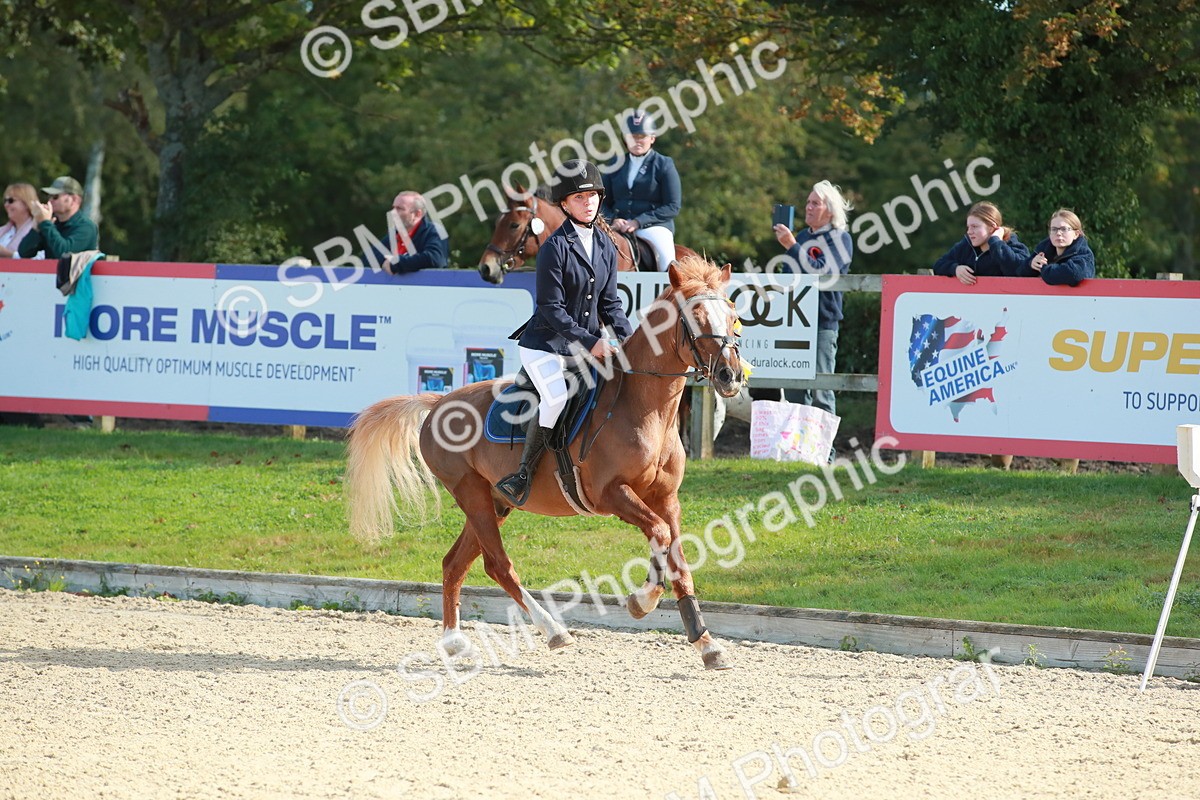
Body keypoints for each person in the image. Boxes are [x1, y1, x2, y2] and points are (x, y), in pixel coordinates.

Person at [495, 160, 634, 506]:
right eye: (579, 196)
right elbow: (552, 310)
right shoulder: (553, 249)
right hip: (545, 345)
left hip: (586, 347)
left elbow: (611, 302)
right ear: (564, 204)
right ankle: (523, 474)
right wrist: (592, 343)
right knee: (555, 397)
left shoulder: (604, 244)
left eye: (593, 195)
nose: (588, 202)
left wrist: (629, 339)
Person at [772, 180, 854, 417]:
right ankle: (800, 451)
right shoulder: (801, 237)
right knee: (795, 391)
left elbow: (823, 273)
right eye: (808, 202)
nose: (808, 207)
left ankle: (825, 454)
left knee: (821, 391)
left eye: (815, 203)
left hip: (821, 323)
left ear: (830, 210)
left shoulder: (841, 239)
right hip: (795, 322)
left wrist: (792, 246)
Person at [601, 111, 681, 272]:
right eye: (632, 136)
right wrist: (613, 219)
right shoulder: (615, 163)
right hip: (617, 225)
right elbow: (601, 201)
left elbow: (672, 206)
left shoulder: (664, 164)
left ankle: (668, 291)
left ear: (652, 138)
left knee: (667, 258)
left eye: (642, 136)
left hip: (653, 226)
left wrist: (638, 222)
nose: (637, 141)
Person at [932, 201, 1029, 285]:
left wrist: (996, 242)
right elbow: (938, 265)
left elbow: (1019, 269)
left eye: (974, 226)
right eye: (968, 227)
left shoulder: (1010, 243)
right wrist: (955, 269)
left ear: (992, 227)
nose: (969, 232)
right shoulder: (966, 244)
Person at [17, 176, 99, 259]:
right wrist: (36, 227)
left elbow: (64, 254)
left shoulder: (86, 226)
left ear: (74, 200)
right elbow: (24, 252)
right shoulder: (53, 223)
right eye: (49, 196)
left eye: (55, 197)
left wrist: (46, 223)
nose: (50, 201)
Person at [377, 191, 449, 274]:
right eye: (393, 208)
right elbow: (368, 258)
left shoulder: (434, 231)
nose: (393, 213)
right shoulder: (395, 234)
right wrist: (386, 262)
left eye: (399, 208)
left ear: (418, 214)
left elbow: (435, 259)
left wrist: (396, 263)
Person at [1025, 209, 1095, 286]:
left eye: (1064, 229)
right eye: (1054, 229)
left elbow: (1073, 274)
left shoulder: (1084, 254)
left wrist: (1044, 268)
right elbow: (1019, 271)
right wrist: (1031, 265)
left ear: (1076, 234)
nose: (1058, 233)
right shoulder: (1043, 249)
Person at [0, 183, 38, 258]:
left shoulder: (37, 231)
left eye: (11, 200)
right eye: (5, 201)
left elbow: (40, 259)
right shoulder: (3, 231)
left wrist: (9, 254)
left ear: (26, 203)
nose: (6, 205)